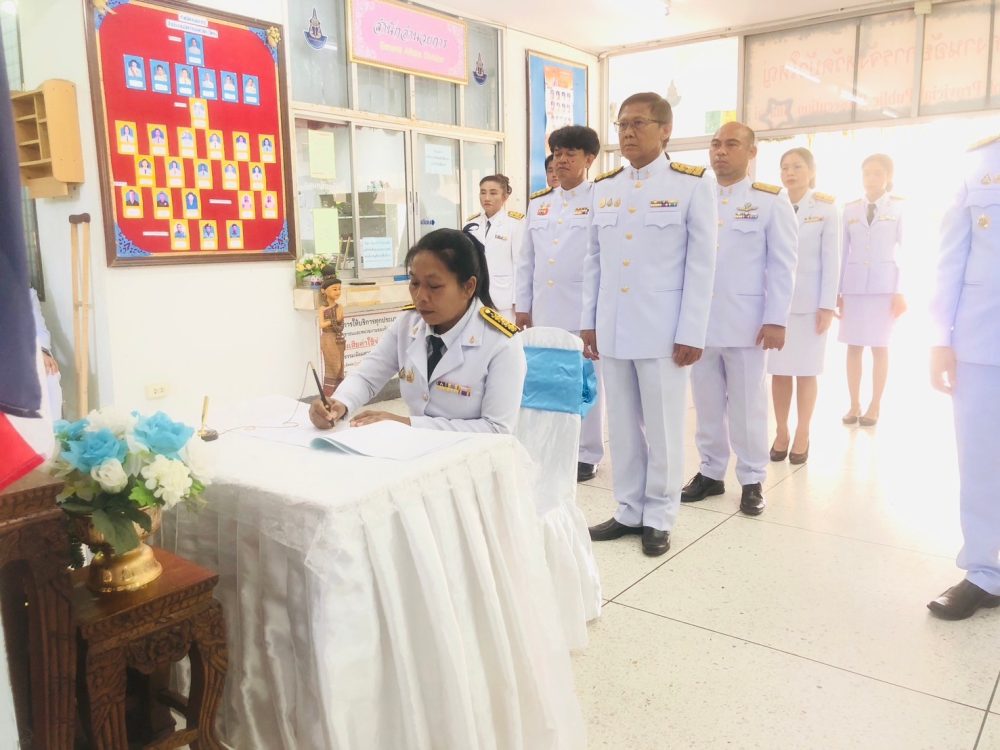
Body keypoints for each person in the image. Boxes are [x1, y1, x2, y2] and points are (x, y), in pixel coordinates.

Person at [581, 92, 717, 556]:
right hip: (613, 327)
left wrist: (692, 331)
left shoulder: (692, 185)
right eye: (622, 124)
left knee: (662, 429)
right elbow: (594, 261)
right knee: (620, 426)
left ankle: (659, 516)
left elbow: (702, 265)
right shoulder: (605, 187)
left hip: (664, 331)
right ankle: (628, 509)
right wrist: (589, 322)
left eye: (638, 123)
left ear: (666, 130)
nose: (628, 132)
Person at [681, 122, 797, 516]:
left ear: (751, 152)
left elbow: (782, 264)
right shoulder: (696, 195)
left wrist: (776, 318)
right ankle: (711, 472)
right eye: (715, 144)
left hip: (747, 323)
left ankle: (751, 478)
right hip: (699, 323)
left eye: (731, 144)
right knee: (706, 404)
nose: (720, 152)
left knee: (748, 406)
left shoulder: (770, 200)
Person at [309, 228, 526, 432]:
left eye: (434, 286)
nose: (420, 296)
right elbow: (367, 377)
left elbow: (496, 428)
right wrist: (339, 403)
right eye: (414, 283)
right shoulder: (408, 323)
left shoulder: (501, 342)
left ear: (468, 287)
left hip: (474, 456)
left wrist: (408, 424)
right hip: (417, 450)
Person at [926, 134, 1000, 621]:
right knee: (981, 461)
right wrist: (939, 337)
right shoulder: (979, 162)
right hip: (983, 336)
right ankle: (984, 572)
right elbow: (951, 255)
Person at [516, 125, 605, 482]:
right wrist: (523, 306)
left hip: (583, 309)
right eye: (557, 154)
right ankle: (549, 443)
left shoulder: (599, 199)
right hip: (545, 308)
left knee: (586, 380)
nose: (562, 160)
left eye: (571, 154)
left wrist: (594, 316)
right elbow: (527, 261)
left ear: (589, 159)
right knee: (546, 377)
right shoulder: (539, 203)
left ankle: (587, 452)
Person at [767, 148, 839, 465]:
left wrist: (827, 305)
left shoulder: (826, 208)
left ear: (811, 171)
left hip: (810, 305)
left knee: (807, 372)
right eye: (784, 167)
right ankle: (781, 431)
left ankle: (803, 432)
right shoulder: (774, 203)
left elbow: (832, 261)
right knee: (780, 372)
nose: (790, 173)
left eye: (797, 167)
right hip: (777, 305)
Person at [838, 154, 906, 427]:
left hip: (884, 288)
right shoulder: (850, 209)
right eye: (867, 173)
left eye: (877, 173)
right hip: (854, 287)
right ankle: (854, 403)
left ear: (888, 177)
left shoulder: (899, 208)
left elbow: (907, 252)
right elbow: (842, 253)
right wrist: (838, 292)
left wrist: (901, 291)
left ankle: (875, 404)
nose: (871, 178)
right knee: (853, 346)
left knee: (880, 347)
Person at [463, 174, 524, 319]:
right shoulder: (471, 224)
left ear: (505, 197)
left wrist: (519, 301)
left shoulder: (515, 223)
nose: (487, 198)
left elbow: (519, 264)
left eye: (493, 193)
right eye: (483, 192)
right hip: (476, 296)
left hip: (503, 299)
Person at [317, 276, 346, 396]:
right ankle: (328, 396)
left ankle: (340, 396)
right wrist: (333, 320)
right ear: (324, 291)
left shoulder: (340, 307)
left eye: (339, 289)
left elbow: (341, 322)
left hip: (338, 338)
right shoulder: (322, 308)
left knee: (340, 368)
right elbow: (321, 325)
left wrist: (336, 320)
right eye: (334, 289)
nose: (338, 292)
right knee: (333, 367)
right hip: (328, 338)